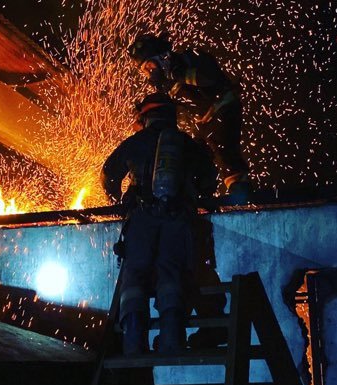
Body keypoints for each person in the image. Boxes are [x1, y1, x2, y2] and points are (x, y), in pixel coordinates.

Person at [101, 93, 217, 355]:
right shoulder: (188, 145)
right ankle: (172, 340)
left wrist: (118, 202)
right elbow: (209, 181)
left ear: (145, 117)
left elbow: (108, 174)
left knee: (135, 277)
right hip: (178, 219)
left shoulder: (134, 143)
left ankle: (133, 343)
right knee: (172, 275)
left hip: (141, 219)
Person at [128, 33, 252, 204]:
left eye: (150, 66)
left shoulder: (190, 58)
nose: (149, 73)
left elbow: (209, 77)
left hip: (223, 109)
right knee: (195, 157)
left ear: (162, 58)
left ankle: (242, 195)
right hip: (201, 123)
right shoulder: (164, 82)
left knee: (223, 151)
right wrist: (144, 113)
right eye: (144, 70)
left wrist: (176, 74)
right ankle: (201, 197)